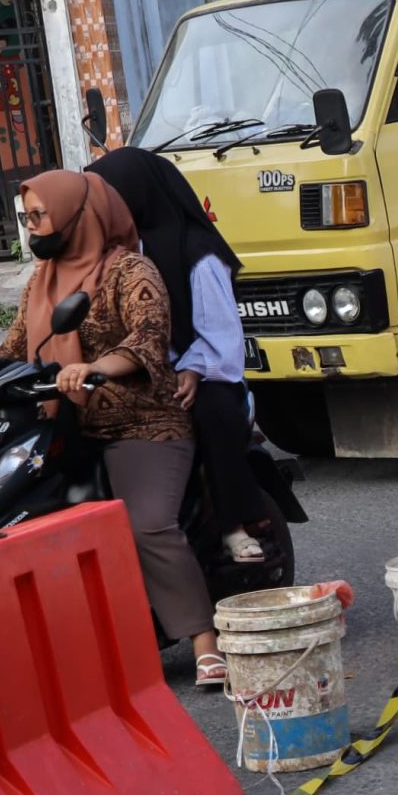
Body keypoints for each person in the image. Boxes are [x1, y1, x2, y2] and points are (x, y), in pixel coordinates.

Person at [0, 171, 219, 685]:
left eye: (40, 215)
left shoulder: (130, 271)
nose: (33, 227)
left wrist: (97, 367)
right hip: (64, 422)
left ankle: (205, 642)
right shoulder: (42, 281)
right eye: (26, 217)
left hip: (140, 422)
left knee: (147, 523)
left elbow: (149, 338)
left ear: (79, 216)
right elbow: (12, 350)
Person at [91, 145, 271, 568]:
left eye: (108, 197)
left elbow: (222, 337)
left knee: (209, 410)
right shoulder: (116, 253)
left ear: (135, 196)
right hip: (140, 368)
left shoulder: (199, 255)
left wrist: (192, 367)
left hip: (207, 374)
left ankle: (232, 524)